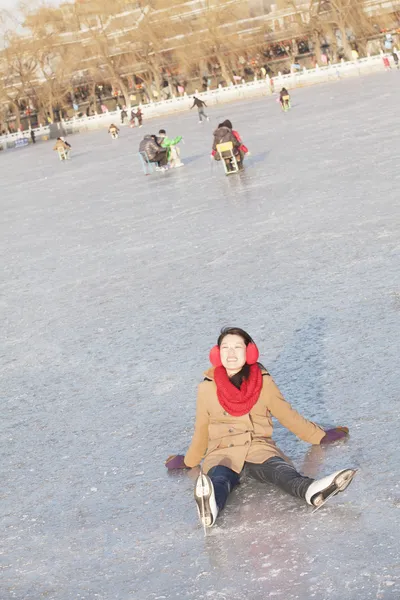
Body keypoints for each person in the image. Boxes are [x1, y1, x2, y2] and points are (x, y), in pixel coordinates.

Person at [165, 327, 356, 529]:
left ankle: (311, 491)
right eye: (225, 347)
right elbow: (202, 428)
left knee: (281, 472)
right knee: (219, 478)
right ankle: (210, 508)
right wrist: (189, 461)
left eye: (237, 347)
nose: (231, 353)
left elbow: (286, 414)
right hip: (222, 451)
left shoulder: (263, 382)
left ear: (249, 352)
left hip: (258, 447)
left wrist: (319, 436)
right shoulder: (206, 388)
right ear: (217, 353)